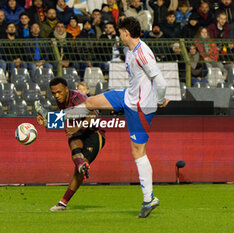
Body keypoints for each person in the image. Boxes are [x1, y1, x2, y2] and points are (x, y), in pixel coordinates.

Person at [35, 17, 169, 218]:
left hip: (140, 107)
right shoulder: (129, 51)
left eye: (120, 32)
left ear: (125, 32)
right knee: (90, 103)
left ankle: (149, 198)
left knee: (138, 152)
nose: (118, 35)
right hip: (127, 96)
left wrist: (158, 100)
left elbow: (160, 81)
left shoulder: (143, 53)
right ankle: (52, 118)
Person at [36, 77, 105, 212]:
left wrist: (77, 127)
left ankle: (63, 202)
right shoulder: (61, 101)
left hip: (94, 133)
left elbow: (94, 116)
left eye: (59, 92)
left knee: (79, 167)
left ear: (66, 89)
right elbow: (64, 118)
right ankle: (81, 167)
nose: (57, 95)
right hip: (79, 131)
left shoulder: (78, 98)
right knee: (75, 151)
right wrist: (45, 122)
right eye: (54, 93)